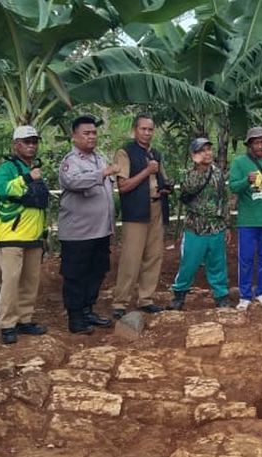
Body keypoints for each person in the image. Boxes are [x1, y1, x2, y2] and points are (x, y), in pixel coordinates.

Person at [58, 115, 121, 333]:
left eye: (94, 133)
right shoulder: (70, 162)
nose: (91, 137)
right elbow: (73, 182)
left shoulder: (99, 158)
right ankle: (75, 318)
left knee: (97, 271)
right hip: (78, 232)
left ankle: (88, 310)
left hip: (101, 230)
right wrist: (102, 173)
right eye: (86, 133)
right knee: (76, 274)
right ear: (74, 136)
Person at [0, 125, 50, 344]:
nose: (32, 145)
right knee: (11, 280)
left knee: (30, 280)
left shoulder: (35, 168)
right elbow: (0, 189)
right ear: (16, 144)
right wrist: (26, 179)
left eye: (34, 141)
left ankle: (25, 319)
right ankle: (7, 323)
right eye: (27, 142)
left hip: (33, 236)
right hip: (11, 235)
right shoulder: (7, 168)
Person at [112, 114, 171, 315]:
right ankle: (120, 302)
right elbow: (123, 186)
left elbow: (161, 177)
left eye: (150, 129)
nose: (147, 133)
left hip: (156, 208)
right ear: (134, 130)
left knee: (154, 256)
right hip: (136, 211)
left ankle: (146, 298)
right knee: (131, 257)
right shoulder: (125, 152)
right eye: (143, 129)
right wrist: (147, 172)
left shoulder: (156, 153)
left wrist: (165, 188)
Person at [169, 138, 232, 310]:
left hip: (215, 226)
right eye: (202, 150)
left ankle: (221, 295)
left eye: (209, 149)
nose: (207, 153)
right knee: (189, 262)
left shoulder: (218, 173)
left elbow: (223, 199)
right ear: (194, 155)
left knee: (217, 263)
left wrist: (227, 224)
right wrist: (198, 169)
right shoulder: (188, 174)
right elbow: (188, 189)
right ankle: (179, 294)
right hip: (195, 227)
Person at [228, 126, 262, 311]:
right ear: (249, 145)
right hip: (248, 219)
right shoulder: (240, 163)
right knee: (246, 258)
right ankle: (244, 294)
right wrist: (246, 181)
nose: (260, 145)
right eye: (256, 142)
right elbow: (233, 186)